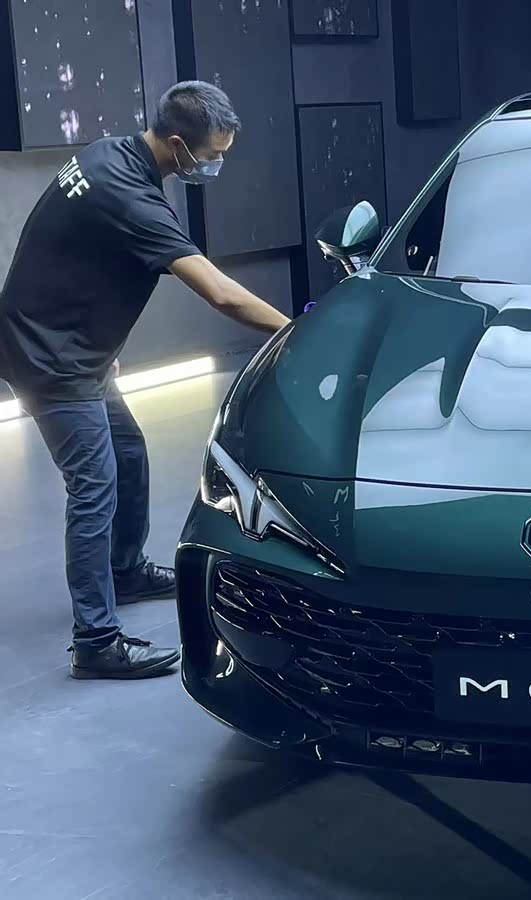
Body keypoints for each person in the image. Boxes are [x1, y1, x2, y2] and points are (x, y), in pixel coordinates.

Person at [0, 81, 291, 680]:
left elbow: (71, 256)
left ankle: (126, 571)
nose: (216, 165)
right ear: (179, 145)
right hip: (51, 360)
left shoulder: (107, 152)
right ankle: (95, 642)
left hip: (70, 346)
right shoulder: (133, 199)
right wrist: (298, 332)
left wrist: (100, 345)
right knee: (94, 487)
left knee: (127, 452)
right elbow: (221, 294)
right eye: (212, 155)